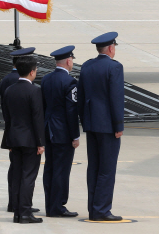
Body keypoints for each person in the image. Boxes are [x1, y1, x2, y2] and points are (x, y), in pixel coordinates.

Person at [78, 32, 125, 222]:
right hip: (107, 126)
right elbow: (116, 98)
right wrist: (118, 124)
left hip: (91, 123)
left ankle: (93, 207)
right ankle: (102, 209)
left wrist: (84, 120)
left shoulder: (87, 66)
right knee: (107, 169)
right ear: (111, 48)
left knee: (94, 167)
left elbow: (81, 97)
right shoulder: (115, 67)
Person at [1, 55, 45, 224]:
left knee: (17, 176)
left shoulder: (9, 90)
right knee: (28, 177)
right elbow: (37, 118)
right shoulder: (34, 90)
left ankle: (17, 213)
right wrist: (41, 142)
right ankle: (26, 212)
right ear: (32, 72)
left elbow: (8, 117)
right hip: (30, 140)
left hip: (14, 139)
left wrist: (8, 141)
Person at [41, 46, 80, 217]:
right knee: (61, 171)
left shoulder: (46, 79)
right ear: (69, 61)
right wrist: (75, 135)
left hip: (48, 130)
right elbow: (71, 111)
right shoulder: (70, 82)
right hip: (62, 133)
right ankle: (58, 206)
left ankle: (50, 204)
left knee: (50, 168)